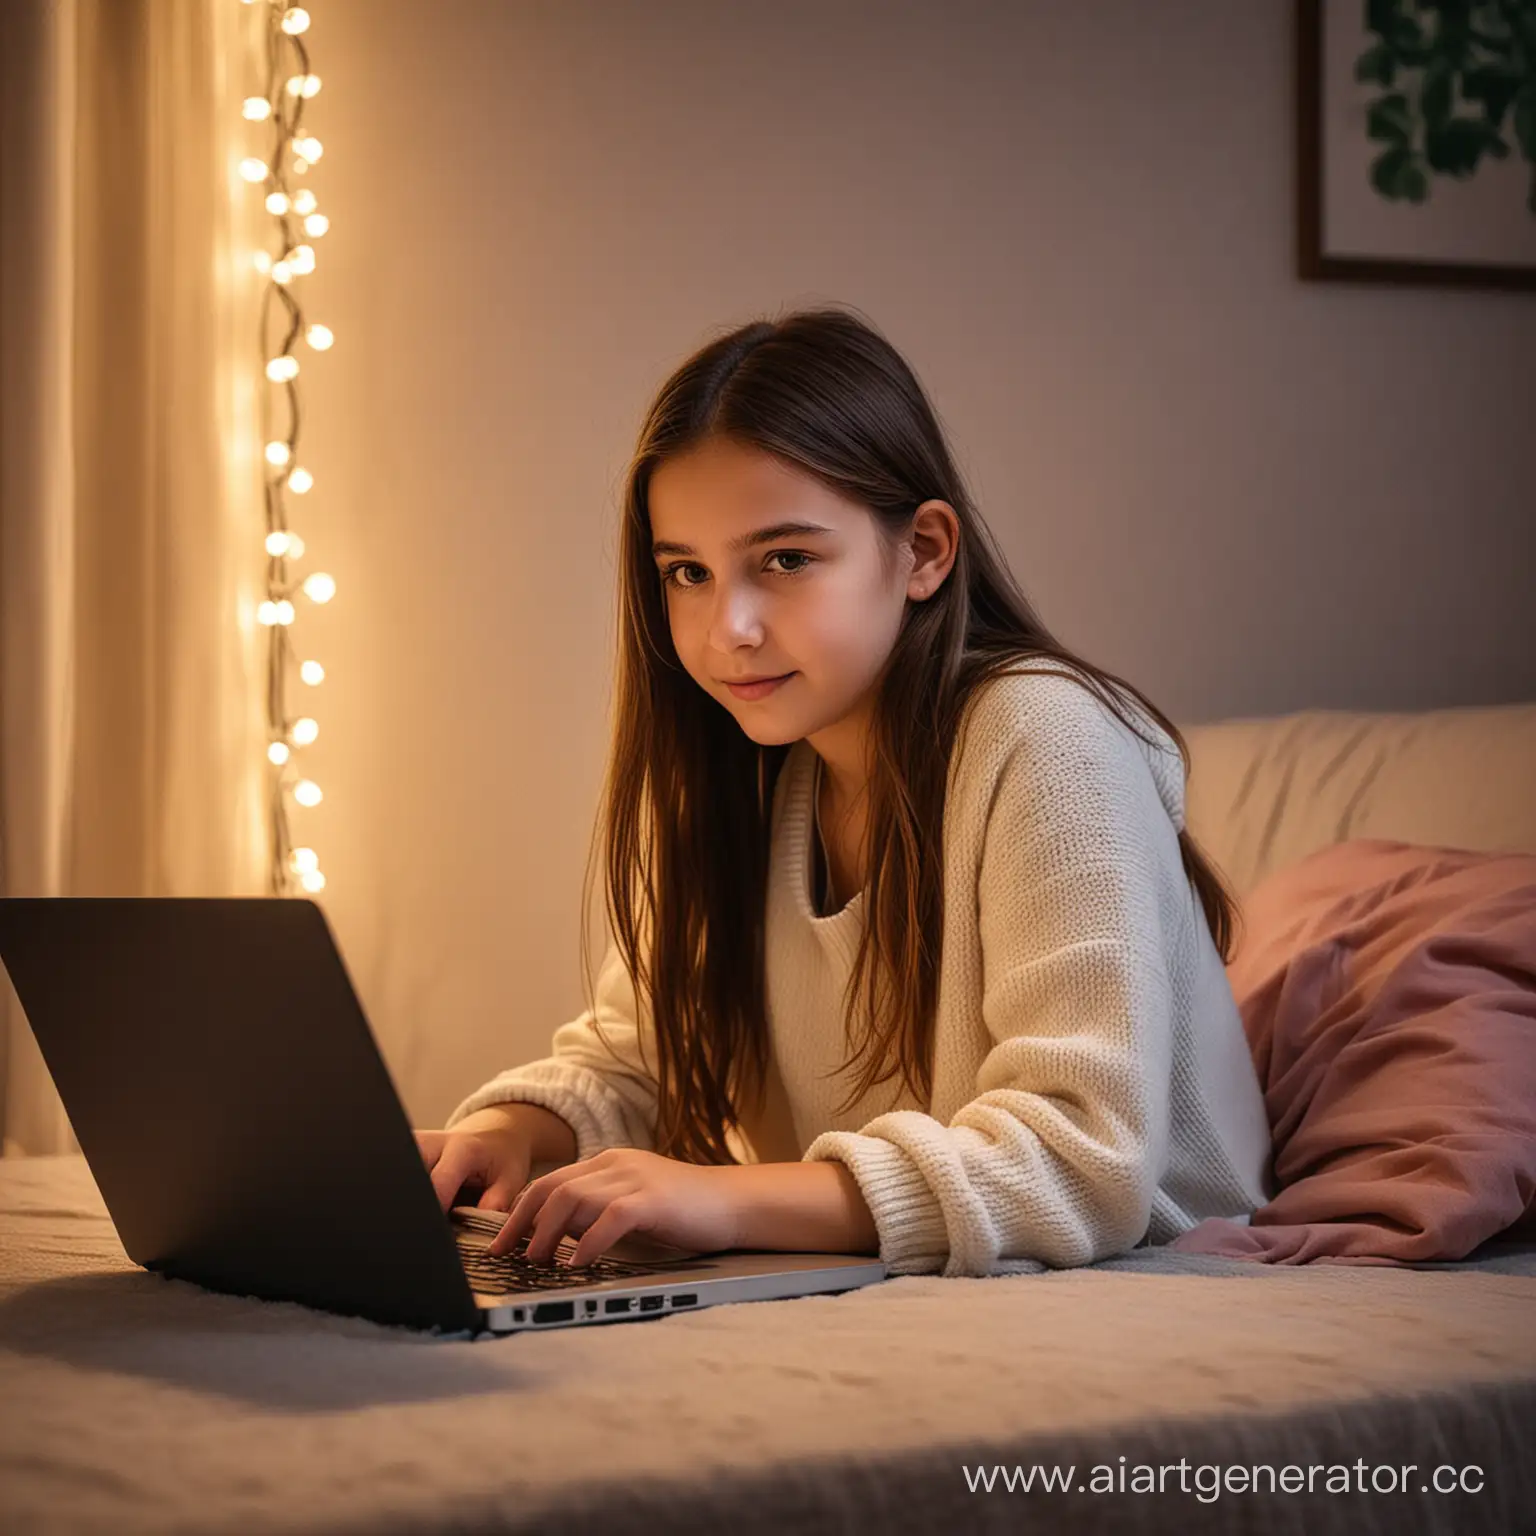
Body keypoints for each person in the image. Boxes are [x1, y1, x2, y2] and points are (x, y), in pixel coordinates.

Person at [415, 305, 1272, 1279]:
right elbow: (633, 1060)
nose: (725, 626)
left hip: (1144, 1273)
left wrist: (722, 1196)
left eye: (784, 560)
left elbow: (1082, 1160)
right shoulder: (757, 769)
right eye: (687, 572)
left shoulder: (1049, 738)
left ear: (924, 553)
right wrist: (504, 1130)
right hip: (907, 1282)